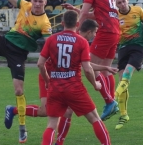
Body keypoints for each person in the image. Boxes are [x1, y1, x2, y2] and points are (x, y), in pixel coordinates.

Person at [5, 19, 118, 145]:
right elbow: (86, 66)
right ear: (89, 31)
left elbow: (83, 63)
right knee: (47, 111)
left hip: (56, 81)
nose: (95, 35)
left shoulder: (59, 39)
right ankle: (14, 110)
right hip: (50, 78)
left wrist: (105, 67)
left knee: (64, 114)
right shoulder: (80, 41)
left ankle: (59, 142)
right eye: (95, 32)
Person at [38, 10, 111, 145]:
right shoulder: (81, 41)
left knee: (51, 124)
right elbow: (87, 69)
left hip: (55, 88)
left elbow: (40, 64)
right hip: (74, 87)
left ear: (62, 23)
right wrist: (95, 84)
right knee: (95, 118)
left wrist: (47, 81)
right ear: (78, 24)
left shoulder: (52, 39)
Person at [0, 0, 52, 143]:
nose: (36, 4)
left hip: (19, 54)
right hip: (5, 41)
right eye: (35, 0)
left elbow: (49, 45)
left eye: (40, 1)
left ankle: (22, 128)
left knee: (19, 91)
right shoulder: (25, 6)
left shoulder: (45, 23)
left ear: (45, 2)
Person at [77, 0, 120, 121]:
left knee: (89, 65)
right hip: (115, 32)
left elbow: (85, 10)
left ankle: (109, 101)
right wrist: (79, 12)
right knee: (105, 71)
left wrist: (76, 29)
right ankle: (111, 100)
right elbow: (98, 14)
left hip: (105, 31)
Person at [114, 0, 143, 130]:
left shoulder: (138, 10)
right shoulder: (116, 16)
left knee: (126, 76)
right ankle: (124, 115)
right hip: (123, 48)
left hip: (138, 47)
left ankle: (113, 98)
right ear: (116, 4)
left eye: (123, 1)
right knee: (122, 82)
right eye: (119, 3)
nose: (122, 4)